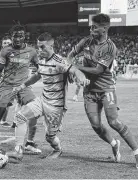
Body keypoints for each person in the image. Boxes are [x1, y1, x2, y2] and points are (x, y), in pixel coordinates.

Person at [67, 13, 138, 170]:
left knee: (113, 121)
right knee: (96, 125)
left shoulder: (110, 47)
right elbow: (70, 55)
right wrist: (71, 68)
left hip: (106, 89)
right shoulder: (86, 41)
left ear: (104, 29)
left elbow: (97, 70)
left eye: (94, 27)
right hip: (89, 91)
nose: (91, 29)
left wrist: (76, 68)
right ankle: (114, 143)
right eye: (90, 26)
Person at [6, 32, 90, 162]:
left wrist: (82, 78)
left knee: (50, 137)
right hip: (42, 100)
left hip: (56, 107)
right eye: (38, 47)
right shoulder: (42, 61)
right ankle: (18, 151)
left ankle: (57, 150)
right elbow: (37, 76)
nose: (39, 50)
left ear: (51, 46)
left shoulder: (59, 62)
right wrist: (22, 86)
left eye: (42, 47)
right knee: (20, 116)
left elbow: (74, 70)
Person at [0, 25, 41, 154]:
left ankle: (29, 143)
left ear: (24, 37)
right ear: (12, 37)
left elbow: (40, 68)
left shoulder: (32, 51)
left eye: (20, 36)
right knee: (0, 112)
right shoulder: (6, 51)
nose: (18, 38)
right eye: (15, 36)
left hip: (23, 86)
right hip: (7, 86)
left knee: (34, 110)